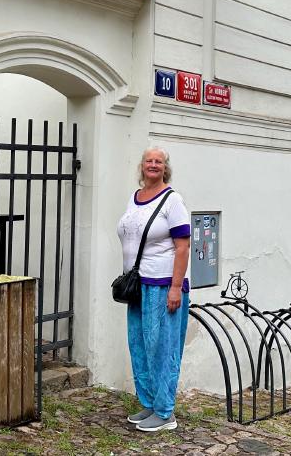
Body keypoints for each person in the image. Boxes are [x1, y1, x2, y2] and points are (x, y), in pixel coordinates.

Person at [117, 147, 191, 432]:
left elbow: (183, 247)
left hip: (163, 285)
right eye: (149, 160)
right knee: (139, 345)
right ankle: (149, 403)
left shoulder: (173, 201)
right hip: (138, 285)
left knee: (162, 347)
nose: (153, 164)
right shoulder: (134, 198)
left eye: (158, 161)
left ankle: (164, 412)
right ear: (142, 166)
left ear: (165, 168)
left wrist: (176, 287)